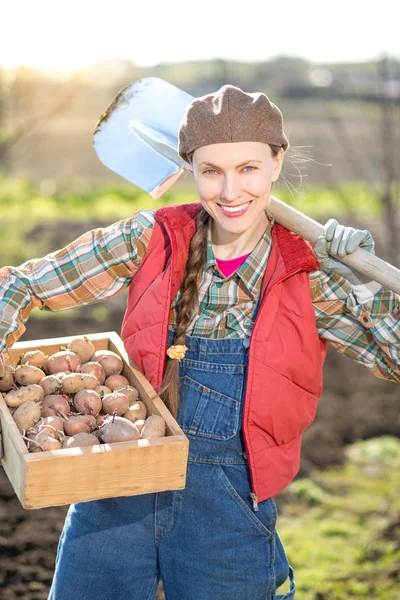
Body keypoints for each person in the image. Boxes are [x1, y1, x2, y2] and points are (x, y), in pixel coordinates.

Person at [1, 84, 400, 600]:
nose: (230, 191)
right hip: (116, 493)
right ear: (189, 167)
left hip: (228, 511)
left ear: (277, 164)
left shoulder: (307, 274)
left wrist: (361, 279)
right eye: (212, 170)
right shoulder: (151, 240)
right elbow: (22, 285)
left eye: (248, 168)